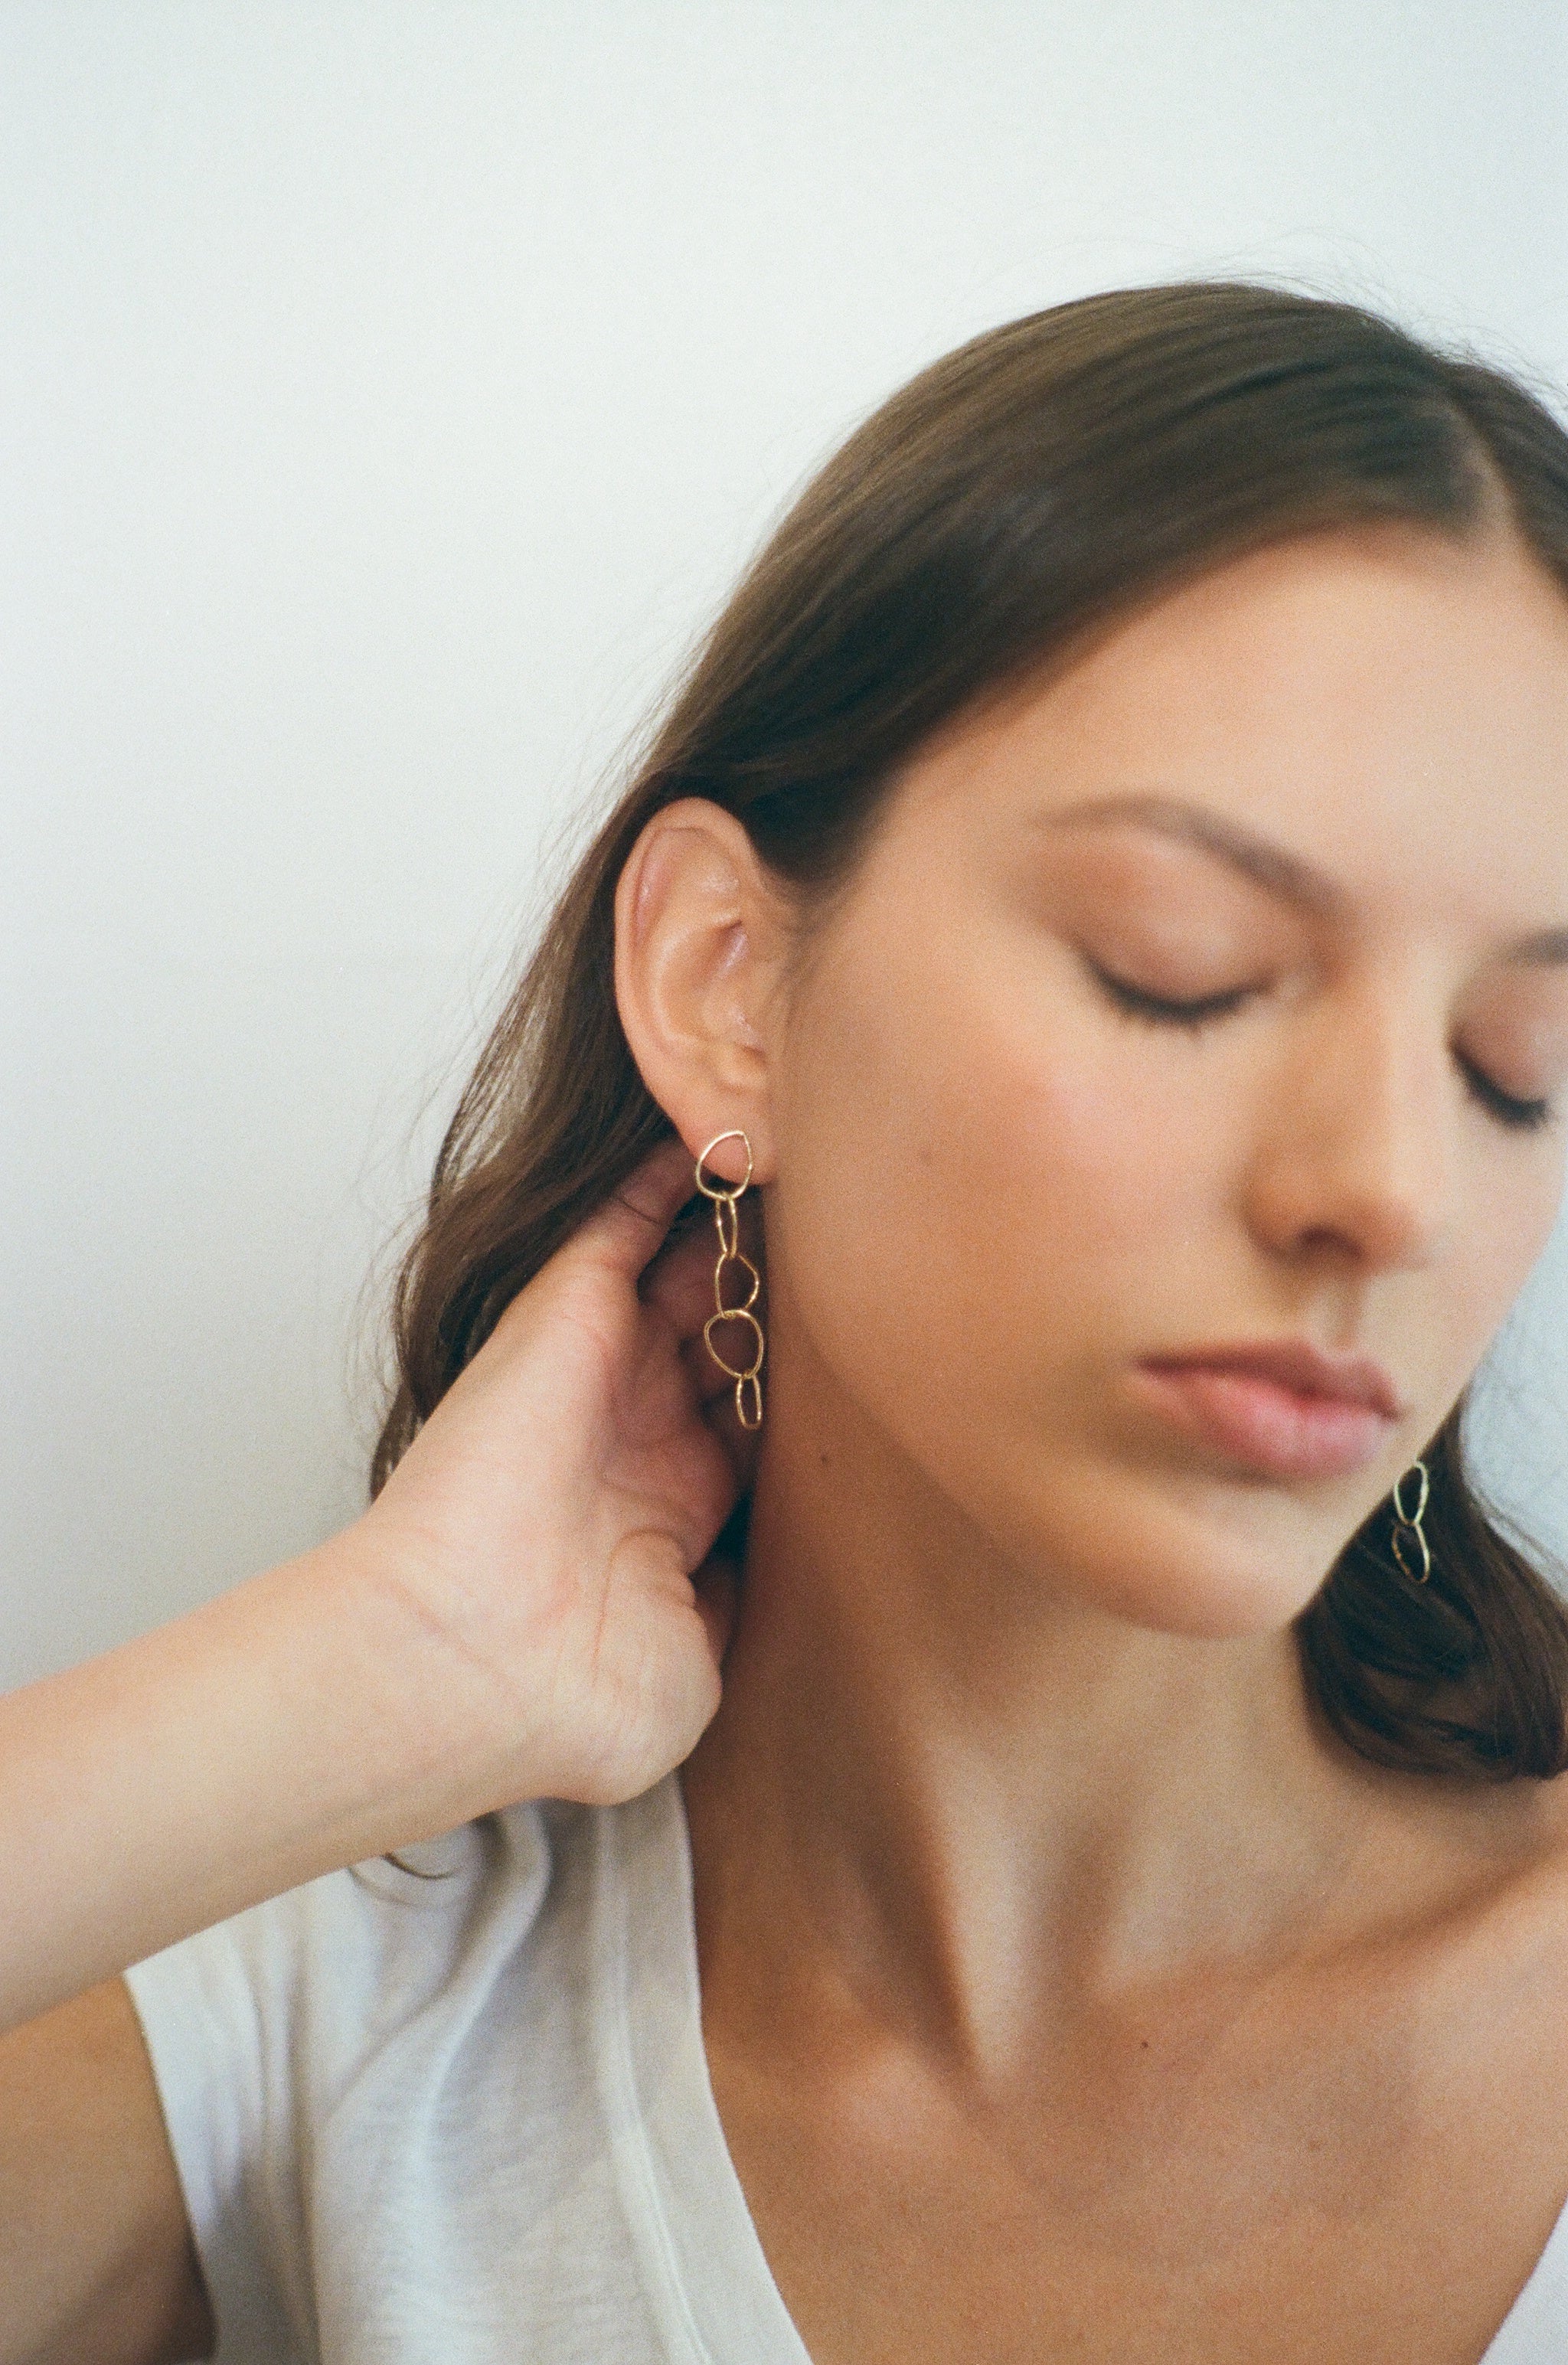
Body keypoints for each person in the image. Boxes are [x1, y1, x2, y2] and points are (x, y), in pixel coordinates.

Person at [4, 281, 1568, 2365]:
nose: (1389, 1183)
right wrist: (378, 1672)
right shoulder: (317, 2068)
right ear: (731, 982)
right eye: (1179, 969)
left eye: (1516, 1064)